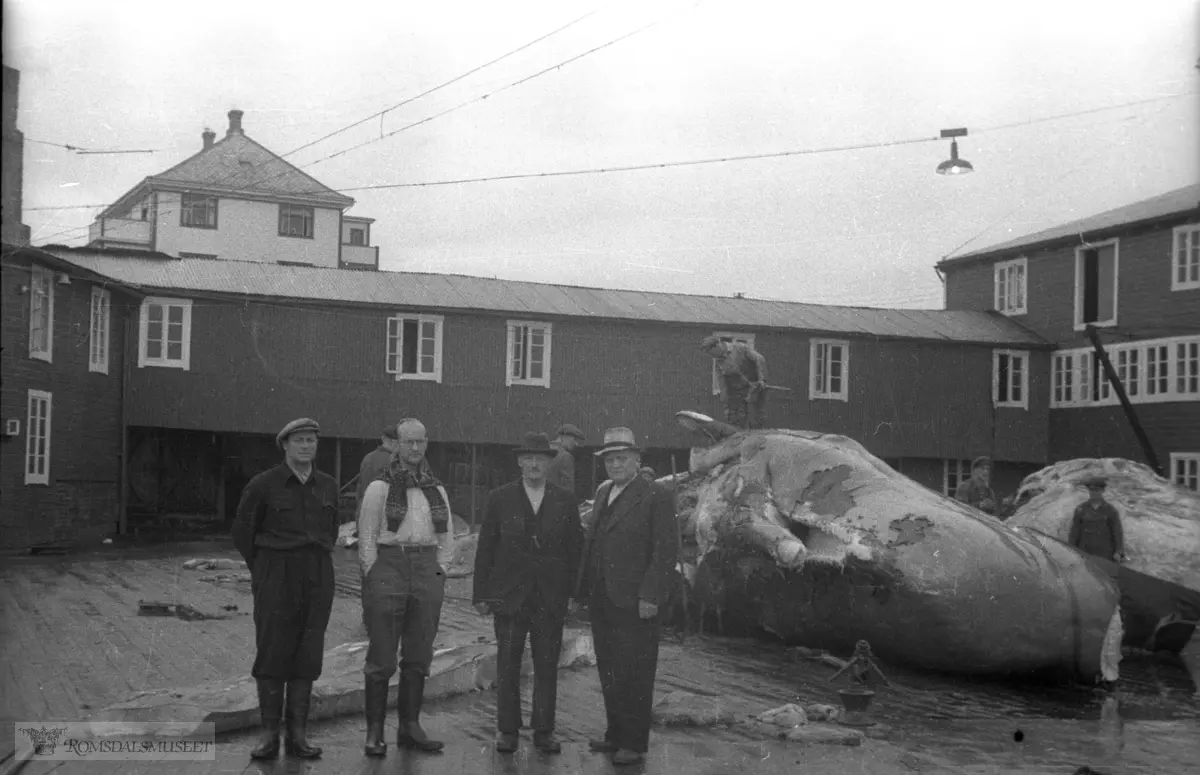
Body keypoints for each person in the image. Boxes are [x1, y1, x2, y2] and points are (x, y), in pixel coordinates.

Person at [232, 418, 340, 760]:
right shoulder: (264, 485)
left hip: (317, 575)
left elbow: (332, 530)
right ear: (285, 445)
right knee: (273, 652)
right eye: (299, 441)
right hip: (276, 574)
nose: (306, 446)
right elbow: (242, 533)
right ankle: (269, 736)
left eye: (311, 440)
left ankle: (298, 735)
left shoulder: (328, 485)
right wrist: (265, 570)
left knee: (307, 654)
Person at [472, 432, 584, 754]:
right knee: (508, 663)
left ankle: (543, 731)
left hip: (550, 598)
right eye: (529, 459)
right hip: (510, 597)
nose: (534, 465)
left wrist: (575, 594)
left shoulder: (564, 500)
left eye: (541, 460)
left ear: (551, 464)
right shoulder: (500, 498)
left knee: (547, 666)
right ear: (520, 462)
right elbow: (486, 549)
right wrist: (481, 594)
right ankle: (507, 730)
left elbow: (575, 550)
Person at [576, 427, 678, 766]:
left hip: (637, 600)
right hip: (604, 597)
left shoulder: (656, 495)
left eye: (622, 458)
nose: (615, 464)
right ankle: (615, 734)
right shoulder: (604, 492)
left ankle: (634, 743)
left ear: (637, 460)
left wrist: (652, 596)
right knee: (610, 668)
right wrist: (582, 590)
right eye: (610, 459)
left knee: (635, 670)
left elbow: (665, 552)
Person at [357, 418, 455, 757]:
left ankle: (410, 727)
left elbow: (447, 540)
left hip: (427, 568)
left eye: (420, 442)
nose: (414, 448)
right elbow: (367, 537)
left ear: (426, 444)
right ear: (396, 445)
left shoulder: (436, 489)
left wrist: (440, 571)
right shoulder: (379, 488)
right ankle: (374, 731)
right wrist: (374, 572)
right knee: (383, 653)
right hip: (389, 566)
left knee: (419, 652)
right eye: (407, 442)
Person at [700, 336, 769, 429]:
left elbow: (759, 359)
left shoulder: (740, 348)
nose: (713, 357)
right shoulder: (719, 363)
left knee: (756, 421)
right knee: (737, 423)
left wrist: (762, 379)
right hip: (738, 395)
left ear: (717, 346)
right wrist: (727, 408)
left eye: (711, 353)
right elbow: (723, 386)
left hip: (757, 389)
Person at [1067, 477, 1126, 563]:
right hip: (1084, 554)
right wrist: (1070, 550)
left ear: (1102, 491)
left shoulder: (1111, 511)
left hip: (1105, 555)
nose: (1093, 493)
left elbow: (1117, 532)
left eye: (1096, 490)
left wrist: (1118, 552)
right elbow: (1074, 533)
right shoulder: (1081, 509)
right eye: (1091, 490)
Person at [355, 424, 400, 522]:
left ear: (383, 439)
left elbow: (361, 490)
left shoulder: (368, 458)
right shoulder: (395, 461)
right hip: (385, 519)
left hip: (366, 514)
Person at [544, 423, 586, 495]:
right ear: (566, 437)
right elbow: (568, 490)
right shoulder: (566, 457)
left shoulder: (545, 452)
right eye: (575, 439)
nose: (576, 444)